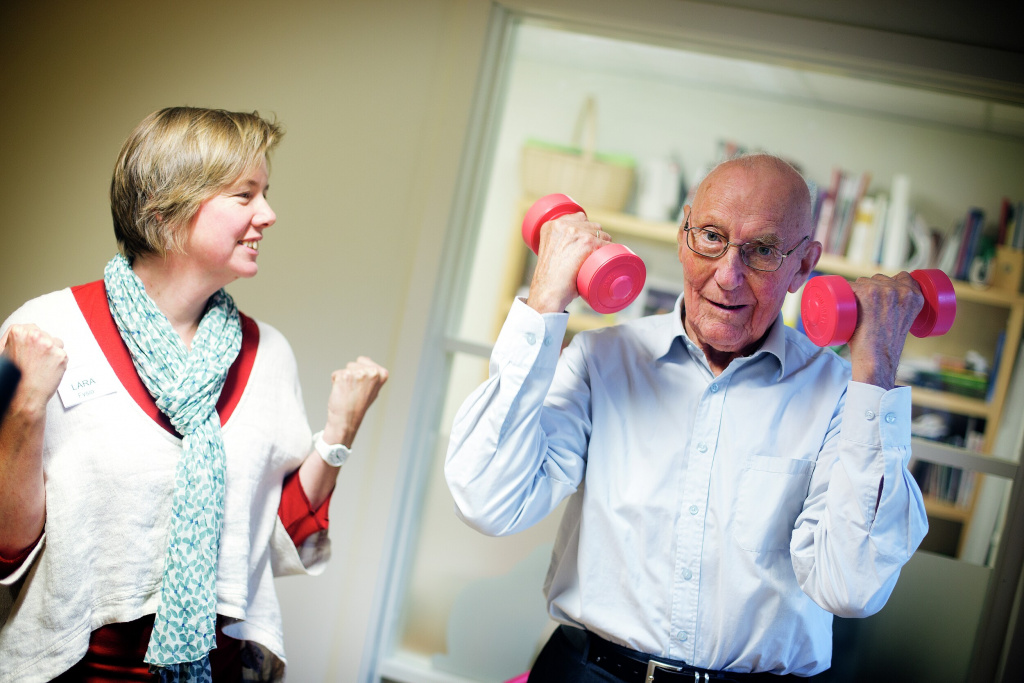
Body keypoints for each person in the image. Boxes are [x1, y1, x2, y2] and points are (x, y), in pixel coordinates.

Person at [445, 153, 928, 681]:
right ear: (683, 235)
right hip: (589, 672)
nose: (728, 275)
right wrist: (544, 303)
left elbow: (851, 586)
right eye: (712, 237)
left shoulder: (845, 398)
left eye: (763, 251)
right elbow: (487, 500)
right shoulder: (602, 360)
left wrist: (876, 373)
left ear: (804, 265)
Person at [0, 107, 389, 682]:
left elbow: (273, 531)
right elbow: (8, 545)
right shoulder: (47, 330)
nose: (269, 214)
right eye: (244, 194)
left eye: (266, 192)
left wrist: (338, 434)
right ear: (166, 209)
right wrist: (27, 406)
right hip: (75, 671)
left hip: (219, 669)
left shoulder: (268, 354)